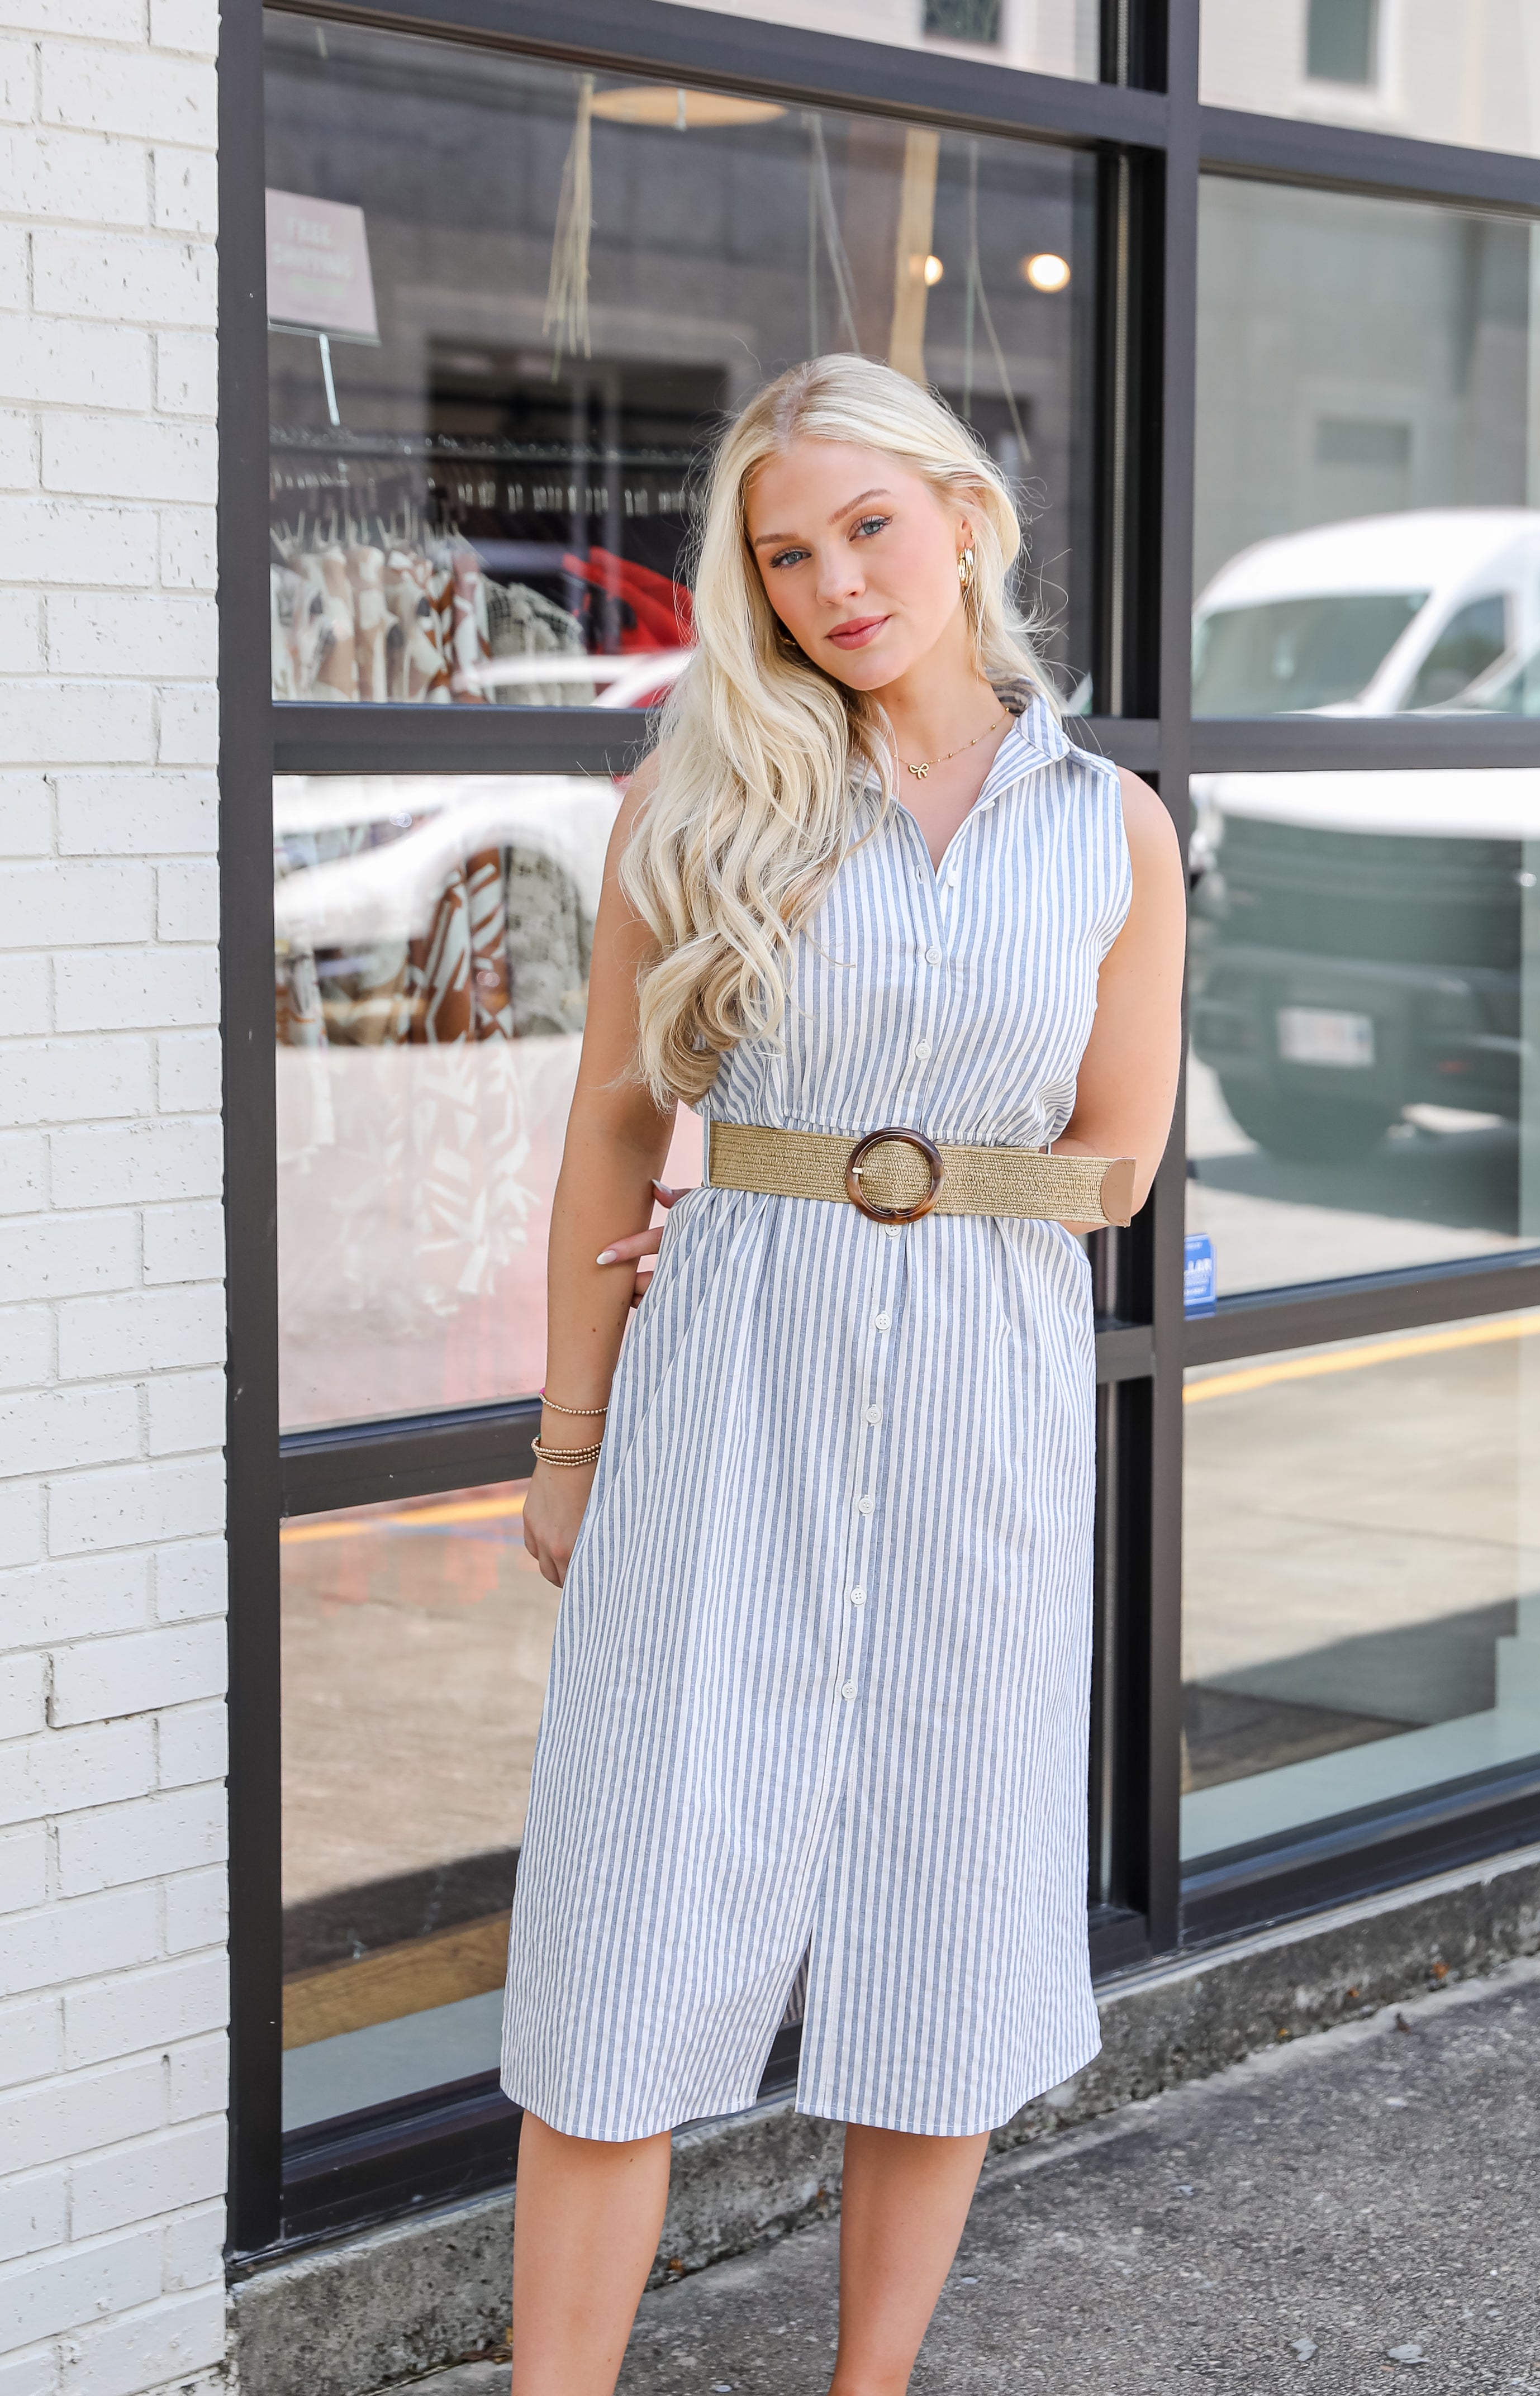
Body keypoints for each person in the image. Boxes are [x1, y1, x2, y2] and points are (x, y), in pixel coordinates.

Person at [506, 353, 1185, 2396]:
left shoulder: (1112, 828)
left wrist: (855, 1171)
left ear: (965, 516)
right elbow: (611, 1145)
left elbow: (1116, 1160)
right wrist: (569, 1434)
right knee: (634, 1919)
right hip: (727, 1393)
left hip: (985, 1404)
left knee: (947, 1929)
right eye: (783, 555)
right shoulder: (699, 797)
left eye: (863, 528)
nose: (828, 584)